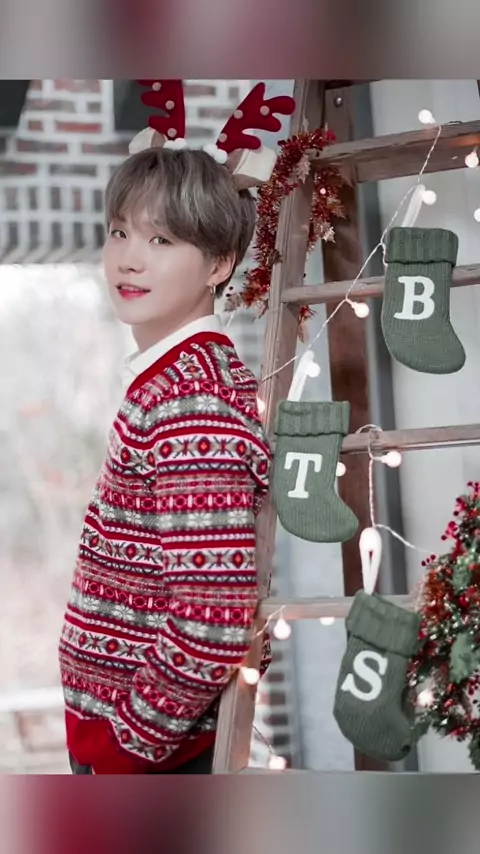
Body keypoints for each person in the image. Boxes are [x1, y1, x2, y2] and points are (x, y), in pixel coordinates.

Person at [58, 141, 272, 774]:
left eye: (161, 240)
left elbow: (213, 619)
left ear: (219, 264)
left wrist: (126, 745)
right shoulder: (174, 380)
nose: (129, 258)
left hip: (148, 758)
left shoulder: (191, 399)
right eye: (120, 232)